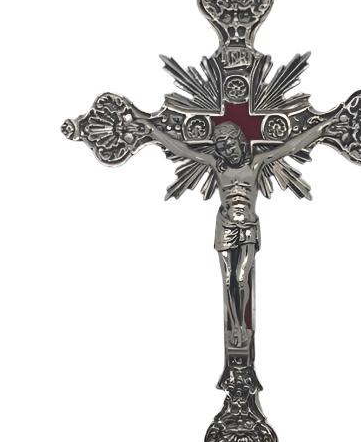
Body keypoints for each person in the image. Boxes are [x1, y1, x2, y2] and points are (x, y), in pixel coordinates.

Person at [138, 117, 330, 347]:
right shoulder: (216, 166)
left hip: (248, 227)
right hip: (225, 226)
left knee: (241, 278)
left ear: (240, 141)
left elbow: (290, 147)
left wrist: (321, 129)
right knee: (228, 280)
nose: (228, 152)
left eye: (230, 145)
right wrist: (152, 132)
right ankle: (237, 326)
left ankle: (243, 324)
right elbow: (183, 150)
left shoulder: (256, 164)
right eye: (222, 149)